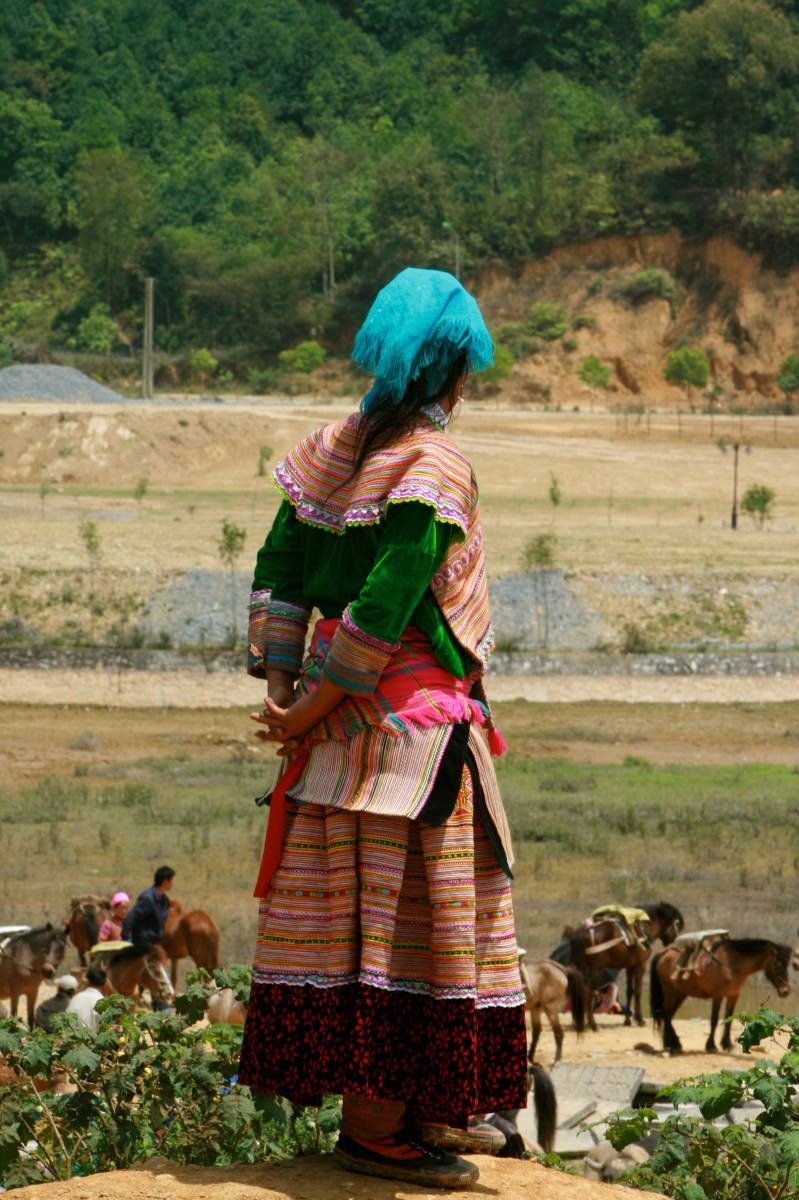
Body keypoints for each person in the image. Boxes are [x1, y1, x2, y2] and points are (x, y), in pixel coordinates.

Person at [238, 267, 527, 1189]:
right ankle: (378, 1131)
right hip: (410, 741)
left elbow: (281, 568)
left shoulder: (326, 451)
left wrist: (290, 698)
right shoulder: (435, 465)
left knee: (353, 926)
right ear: (458, 369)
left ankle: (419, 1115)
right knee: (419, 925)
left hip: (332, 747)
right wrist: (316, 702)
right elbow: (387, 605)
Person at [120, 867, 174, 952]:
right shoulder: (147, 899)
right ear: (165, 881)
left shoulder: (164, 900)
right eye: (171, 880)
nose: (172, 883)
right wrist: (126, 941)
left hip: (155, 943)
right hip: (143, 945)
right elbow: (131, 918)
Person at [66, 967, 107, 1033]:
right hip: (95, 1042)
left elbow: (67, 1020)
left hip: (72, 1041)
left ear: (87, 982)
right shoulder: (104, 1002)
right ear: (105, 984)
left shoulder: (76, 998)